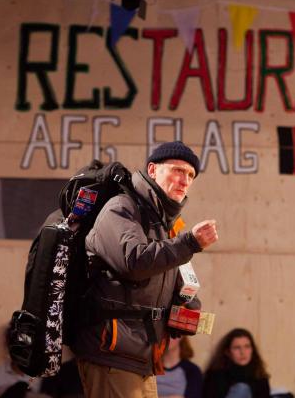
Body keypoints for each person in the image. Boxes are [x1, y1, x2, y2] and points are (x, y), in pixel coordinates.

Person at [71, 141, 218, 398]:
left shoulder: (163, 223)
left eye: (191, 175)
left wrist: (186, 306)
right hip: (111, 351)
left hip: (143, 356)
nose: (185, 180)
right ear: (152, 170)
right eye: (177, 170)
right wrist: (190, 242)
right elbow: (134, 262)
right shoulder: (122, 208)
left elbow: (160, 279)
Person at [203, 328, 271, 398]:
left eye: (247, 347)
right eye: (237, 348)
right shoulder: (215, 375)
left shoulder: (259, 374)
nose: (242, 352)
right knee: (241, 389)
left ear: (252, 350)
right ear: (227, 352)